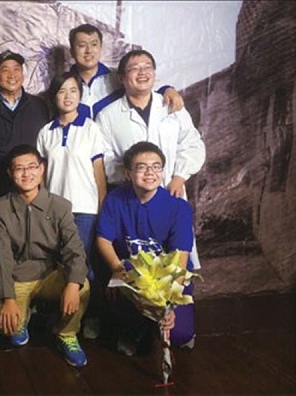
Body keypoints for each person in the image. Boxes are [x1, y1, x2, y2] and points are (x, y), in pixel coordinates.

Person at [97, 49, 205, 269]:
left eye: (147, 67)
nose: (142, 72)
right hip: (132, 197)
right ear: (121, 78)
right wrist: (134, 180)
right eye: (134, 68)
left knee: (176, 262)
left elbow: (192, 144)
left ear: (155, 73)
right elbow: (105, 159)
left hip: (170, 190)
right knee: (136, 263)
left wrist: (179, 177)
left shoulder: (171, 106)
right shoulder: (108, 115)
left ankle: (173, 299)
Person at [0, 144, 90, 368]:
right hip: (17, 277)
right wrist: (8, 298)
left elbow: (75, 249)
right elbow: (2, 256)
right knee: (6, 326)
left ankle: (66, 333)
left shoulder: (60, 206)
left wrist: (73, 285)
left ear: (42, 168)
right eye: (19, 169)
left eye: (32, 167)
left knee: (82, 286)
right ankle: (23, 317)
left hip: (50, 273)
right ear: (10, 173)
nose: (26, 173)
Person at [96, 142, 195, 356]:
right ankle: (137, 328)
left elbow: (181, 257)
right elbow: (103, 239)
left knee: (179, 334)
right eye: (141, 167)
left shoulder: (178, 206)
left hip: (170, 276)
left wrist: (169, 302)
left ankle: (163, 324)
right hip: (134, 273)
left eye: (156, 166)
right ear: (128, 173)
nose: (150, 172)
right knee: (118, 302)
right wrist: (116, 269)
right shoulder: (115, 199)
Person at [36, 71, 106, 339]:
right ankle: (62, 318)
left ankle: (89, 319)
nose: (68, 96)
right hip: (56, 210)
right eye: (62, 91)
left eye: (73, 91)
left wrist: (102, 210)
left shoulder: (91, 128)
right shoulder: (46, 132)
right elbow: (40, 178)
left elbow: (99, 172)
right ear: (54, 96)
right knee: (60, 266)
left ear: (80, 95)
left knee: (85, 266)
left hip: (86, 210)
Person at [0, 50, 50, 211]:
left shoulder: (39, 106)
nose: (12, 74)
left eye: (17, 68)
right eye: (5, 69)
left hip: (34, 197)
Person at [68, 23, 184, 120]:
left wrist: (168, 90)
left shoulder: (118, 77)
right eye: (82, 45)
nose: (89, 50)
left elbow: (147, 91)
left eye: (94, 44)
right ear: (72, 51)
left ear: (100, 47)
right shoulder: (64, 84)